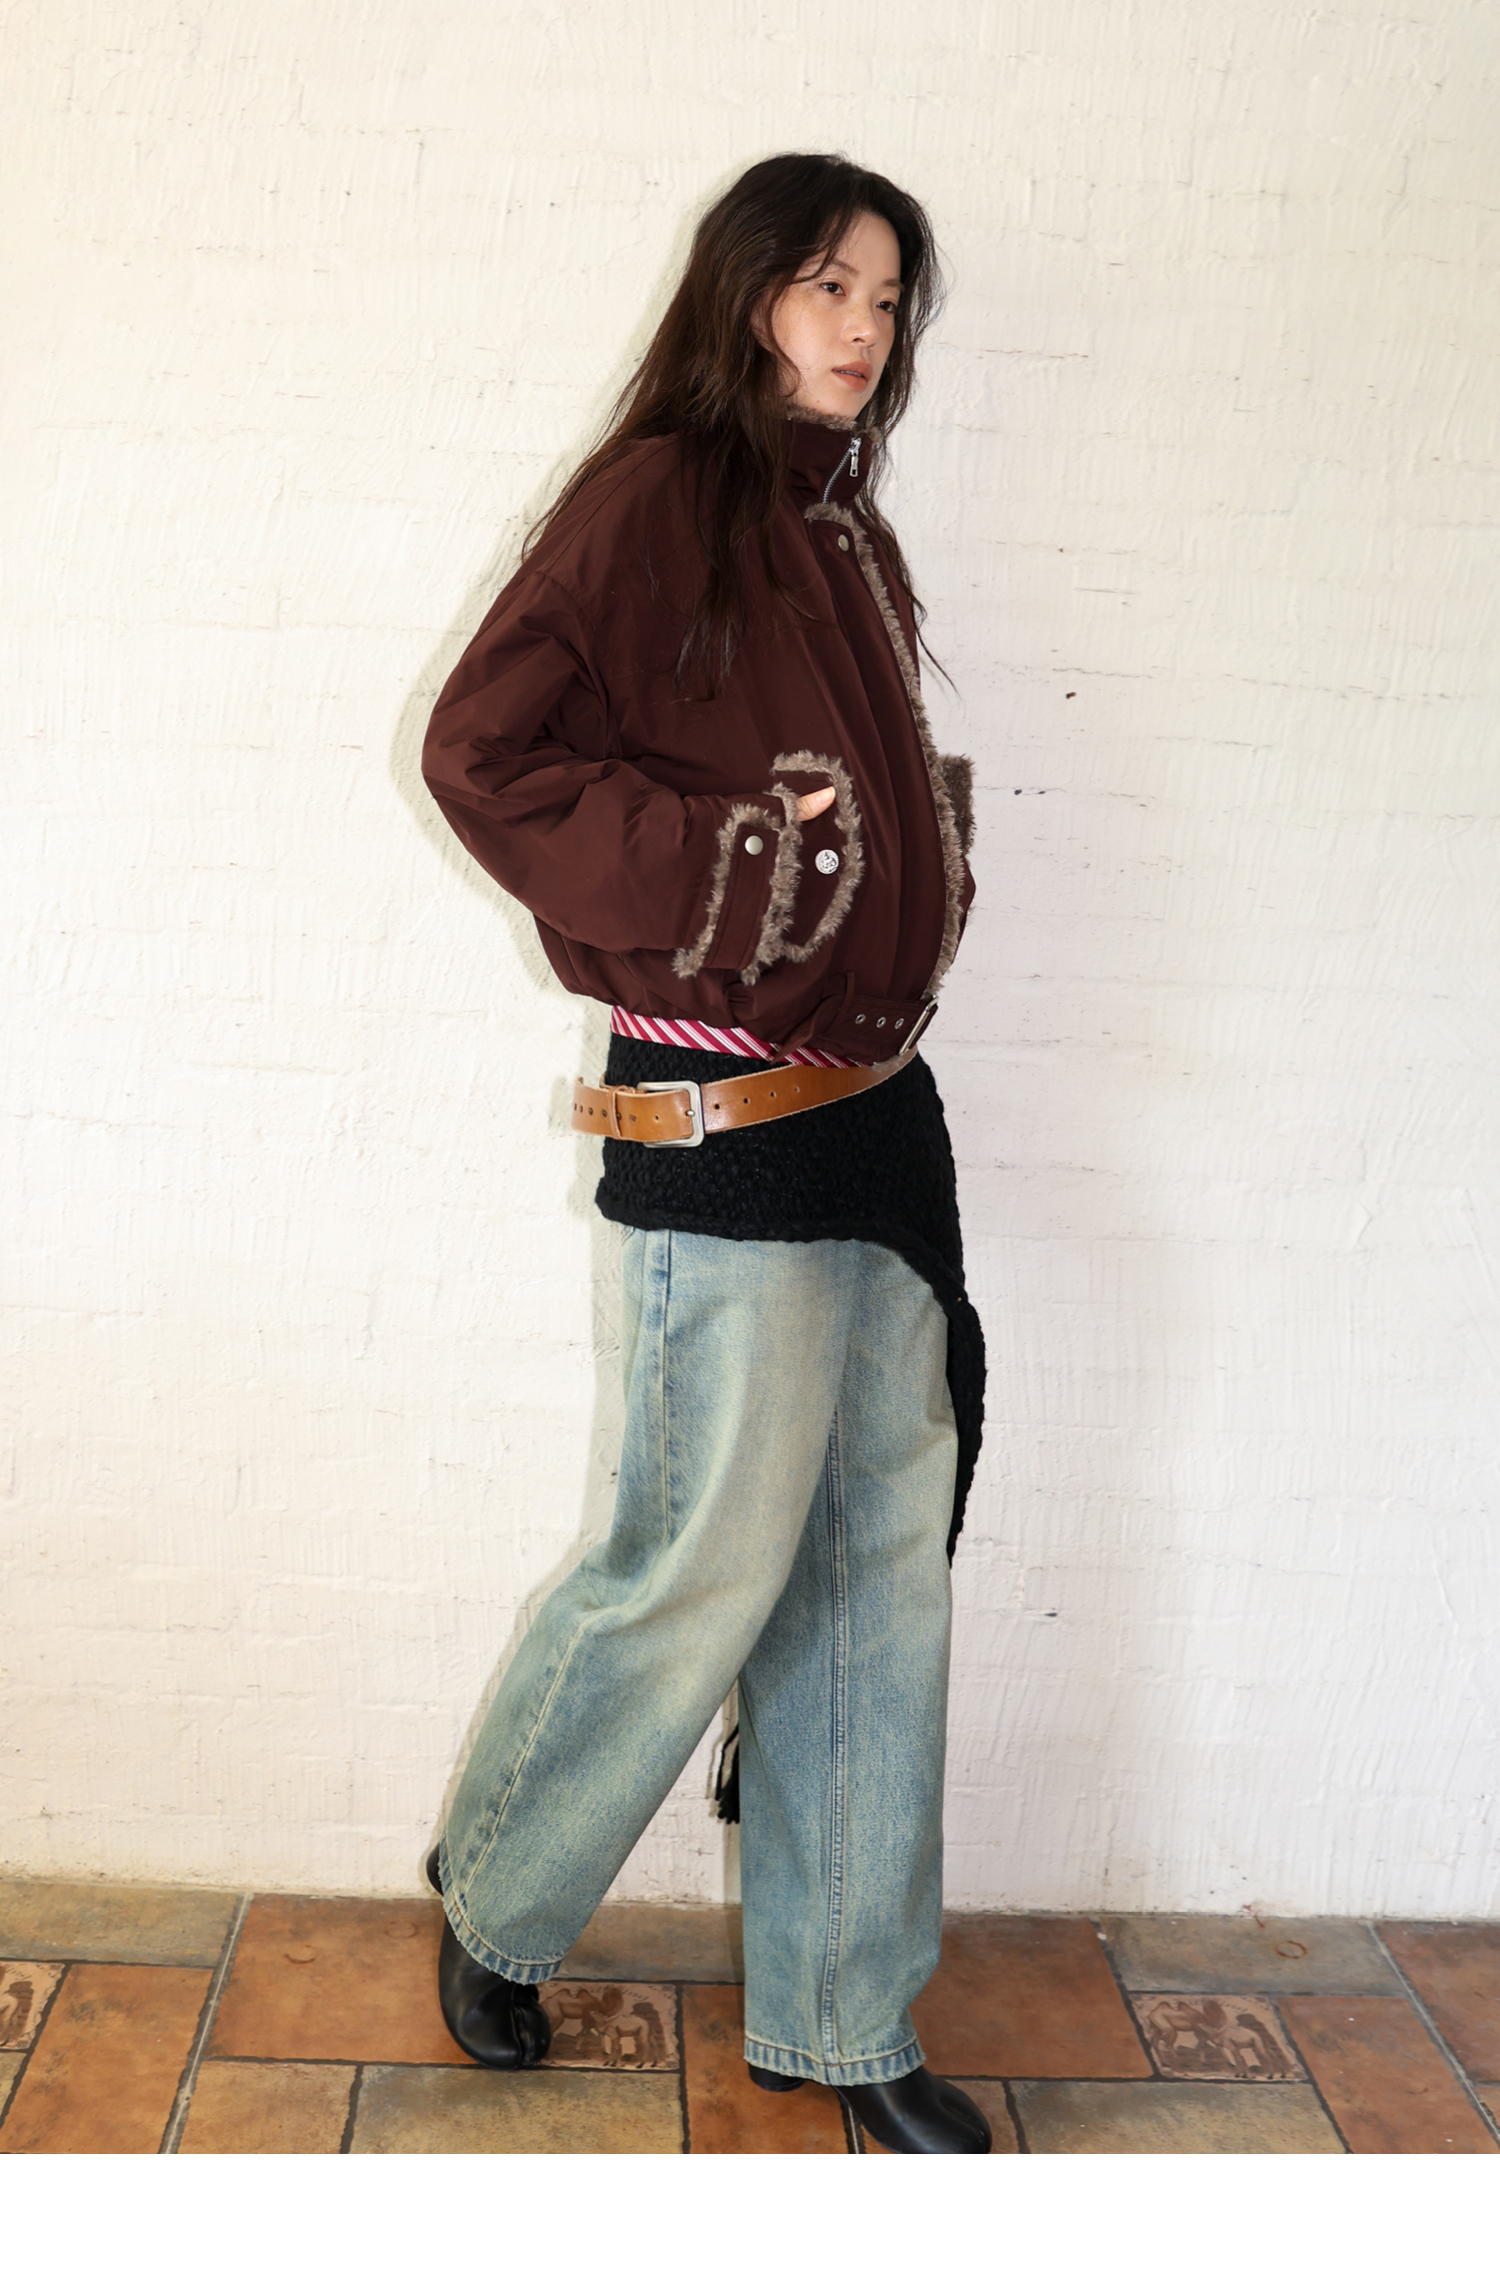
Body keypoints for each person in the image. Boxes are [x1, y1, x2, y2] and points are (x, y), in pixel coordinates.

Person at [420, 151, 989, 2154]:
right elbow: (483, 756)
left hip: (880, 1133)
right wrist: (732, 867)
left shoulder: (842, 533)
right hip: (723, 1126)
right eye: (828, 283)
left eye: (889, 297)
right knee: (701, 1565)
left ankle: (846, 2016)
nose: (862, 327)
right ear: (747, 294)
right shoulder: (655, 498)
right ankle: (500, 1887)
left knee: (876, 1581)